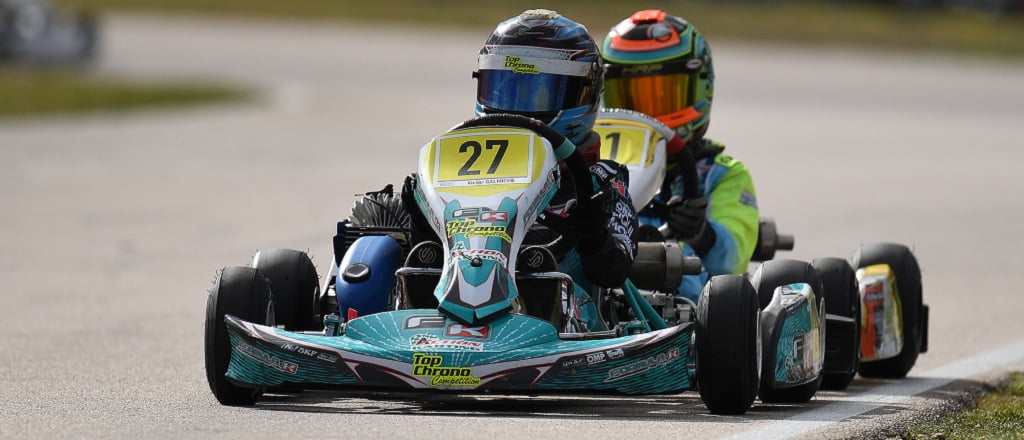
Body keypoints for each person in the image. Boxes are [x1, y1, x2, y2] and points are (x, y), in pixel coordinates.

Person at [402, 9, 638, 331]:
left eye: (539, 93)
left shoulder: (602, 180)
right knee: (376, 252)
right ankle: (412, 315)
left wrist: (593, 234)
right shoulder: (457, 164)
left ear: (585, 94)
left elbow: (614, 272)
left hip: (558, 309)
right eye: (506, 88)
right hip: (446, 293)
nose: (517, 107)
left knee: (554, 284)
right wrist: (422, 217)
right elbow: (424, 251)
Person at [599, 9, 759, 303]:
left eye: (661, 95)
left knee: (690, 272)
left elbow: (732, 261)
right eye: (631, 98)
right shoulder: (597, 168)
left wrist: (702, 234)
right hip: (599, 285)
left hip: (685, 306)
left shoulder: (723, 174)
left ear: (701, 87)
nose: (647, 115)